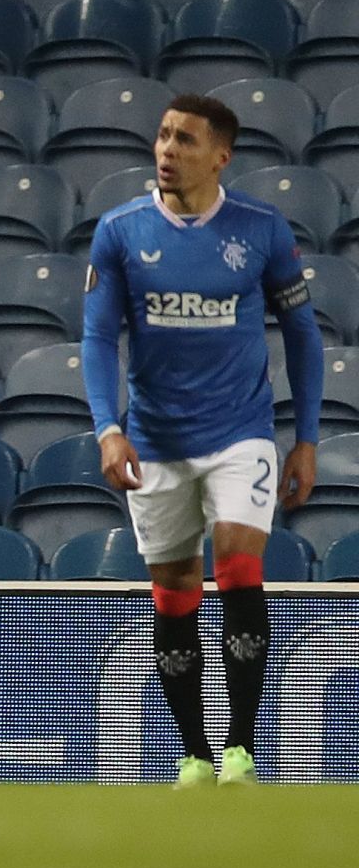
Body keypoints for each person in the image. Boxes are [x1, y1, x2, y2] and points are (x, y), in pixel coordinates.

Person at [83, 94, 322, 788]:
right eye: (162, 135)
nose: (166, 149)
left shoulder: (261, 230)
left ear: (221, 155)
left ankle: (242, 746)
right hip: (156, 437)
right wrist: (107, 426)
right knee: (175, 592)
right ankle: (194, 753)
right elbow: (99, 336)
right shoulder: (121, 230)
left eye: (184, 139)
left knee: (239, 566)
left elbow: (302, 336)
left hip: (240, 431)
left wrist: (305, 438)